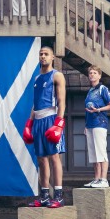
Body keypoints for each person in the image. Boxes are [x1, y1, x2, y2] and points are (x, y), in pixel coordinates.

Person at [23, 46, 67, 208]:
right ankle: (44, 196)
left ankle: (59, 195)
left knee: (54, 157)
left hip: (51, 119)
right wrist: (29, 123)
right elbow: (35, 104)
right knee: (41, 159)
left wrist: (59, 124)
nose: (43, 57)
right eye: (41, 54)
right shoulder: (36, 79)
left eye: (46, 54)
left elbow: (62, 102)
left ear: (52, 57)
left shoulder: (57, 76)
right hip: (38, 121)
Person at [83, 65, 110, 188]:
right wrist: (86, 125)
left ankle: (104, 179)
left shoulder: (103, 89)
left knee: (101, 151)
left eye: (95, 73)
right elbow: (86, 110)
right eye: (90, 73)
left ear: (99, 75)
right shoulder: (90, 91)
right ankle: (96, 179)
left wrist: (99, 110)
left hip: (100, 123)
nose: (92, 75)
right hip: (90, 124)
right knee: (93, 153)